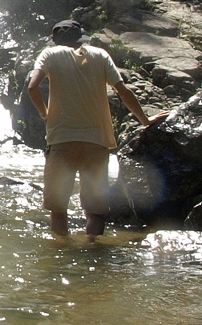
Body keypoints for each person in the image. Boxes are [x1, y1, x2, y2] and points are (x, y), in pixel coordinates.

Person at [27, 18, 168, 239]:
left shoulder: (49, 55)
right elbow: (123, 91)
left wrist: (45, 114)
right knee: (95, 211)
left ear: (55, 40)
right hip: (97, 141)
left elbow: (32, 87)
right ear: (80, 37)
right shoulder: (100, 55)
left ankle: (61, 258)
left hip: (62, 140)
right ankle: (92, 250)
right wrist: (145, 121)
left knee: (59, 209)